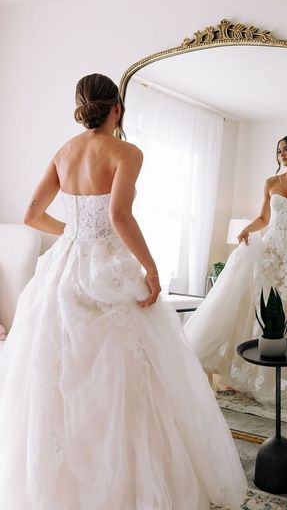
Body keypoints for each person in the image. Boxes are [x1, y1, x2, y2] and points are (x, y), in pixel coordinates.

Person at [0, 73, 246, 510]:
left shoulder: (63, 152)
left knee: (56, 377)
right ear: (117, 108)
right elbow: (118, 214)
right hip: (104, 270)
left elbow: (32, 214)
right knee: (127, 377)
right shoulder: (126, 152)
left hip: (63, 271)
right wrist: (150, 268)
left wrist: (73, 234)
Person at [184, 135, 287, 409]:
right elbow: (265, 219)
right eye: (278, 151)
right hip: (270, 254)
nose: (282, 154)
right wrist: (247, 230)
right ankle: (252, 376)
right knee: (259, 313)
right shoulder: (271, 183)